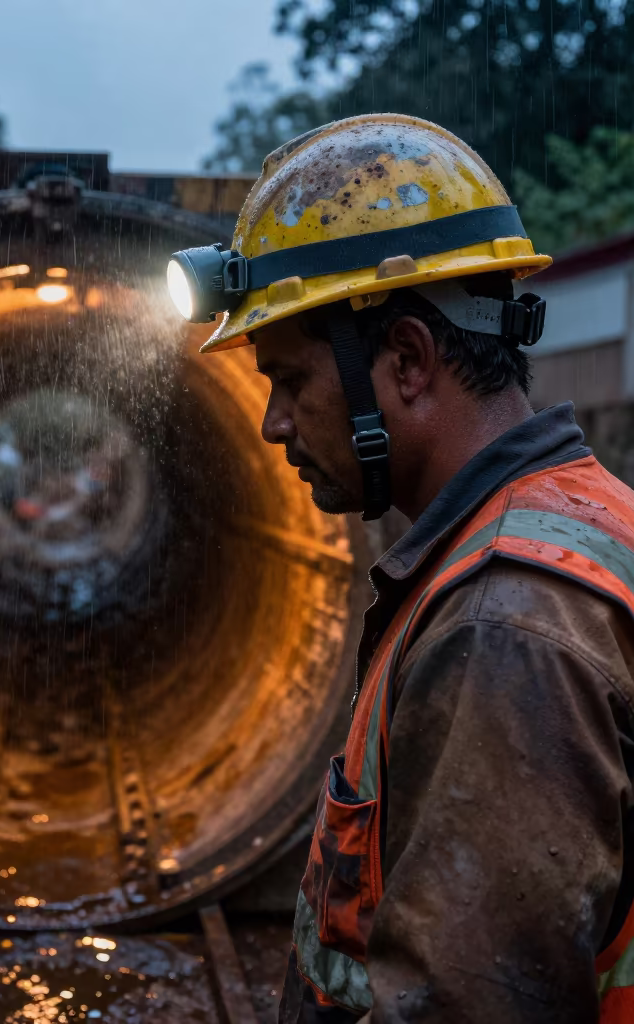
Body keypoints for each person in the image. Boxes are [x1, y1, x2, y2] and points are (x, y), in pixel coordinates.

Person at [166, 114, 634, 1022]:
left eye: (290, 379)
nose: (273, 423)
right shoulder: (577, 522)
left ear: (410, 362)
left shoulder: (505, 628)